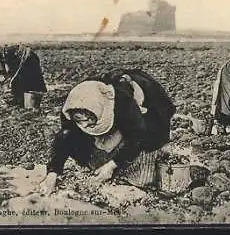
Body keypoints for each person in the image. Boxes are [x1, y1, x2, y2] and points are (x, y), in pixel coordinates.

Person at [39, 68, 176, 196]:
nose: (85, 124)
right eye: (79, 120)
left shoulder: (123, 103)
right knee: (84, 148)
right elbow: (64, 138)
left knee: (141, 175)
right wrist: (52, 174)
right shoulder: (73, 106)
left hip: (151, 113)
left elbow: (137, 136)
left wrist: (112, 165)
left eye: (89, 119)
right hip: (113, 109)